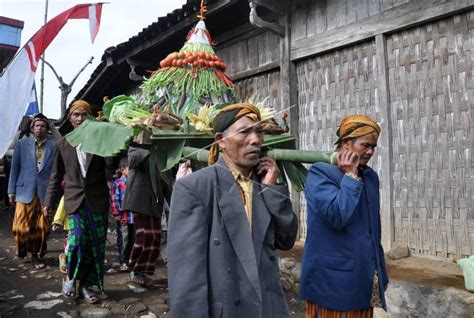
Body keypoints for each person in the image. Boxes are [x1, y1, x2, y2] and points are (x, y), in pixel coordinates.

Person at [167, 103, 298, 318]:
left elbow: (286, 240)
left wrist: (273, 189)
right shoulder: (196, 188)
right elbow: (187, 278)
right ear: (220, 140)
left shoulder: (264, 183)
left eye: (259, 132)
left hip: (268, 309)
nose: (255, 139)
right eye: (245, 131)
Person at [300, 115, 389, 317]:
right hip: (332, 280)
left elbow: (373, 230)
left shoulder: (369, 176)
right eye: (365, 145)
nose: (370, 151)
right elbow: (337, 216)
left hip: (363, 276)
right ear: (347, 143)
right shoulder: (319, 173)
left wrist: (380, 271)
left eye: (373, 146)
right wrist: (350, 175)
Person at [43, 100, 112, 304]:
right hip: (75, 201)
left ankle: (87, 286)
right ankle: (69, 276)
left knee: (95, 246)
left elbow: (111, 163)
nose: (80, 119)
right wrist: (48, 203)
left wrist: (110, 140)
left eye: (84, 115)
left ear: (90, 117)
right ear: (70, 118)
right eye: (76, 115)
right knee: (77, 242)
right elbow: (56, 177)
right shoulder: (63, 144)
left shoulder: (99, 141)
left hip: (97, 200)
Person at [8, 114, 55, 269]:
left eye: (43, 126)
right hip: (23, 190)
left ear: (47, 129)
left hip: (43, 192)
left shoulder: (53, 146)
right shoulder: (22, 144)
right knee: (19, 227)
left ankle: (35, 255)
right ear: (32, 128)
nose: (39, 128)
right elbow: (14, 169)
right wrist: (11, 191)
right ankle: (22, 249)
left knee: (40, 228)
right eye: (37, 126)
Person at [122, 145, 170, 286]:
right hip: (139, 199)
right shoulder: (135, 148)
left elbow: (165, 176)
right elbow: (133, 161)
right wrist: (149, 149)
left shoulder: (162, 150)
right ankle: (134, 269)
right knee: (144, 236)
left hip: (155, 200)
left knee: (154, 238)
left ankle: (142, 272)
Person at [110, 157, 134, 272]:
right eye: (130, 168)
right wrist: (117, 215)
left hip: (134, 217)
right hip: (123, 218)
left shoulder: (135, 182)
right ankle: (123, 261)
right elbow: (115, 200)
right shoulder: (118, 183)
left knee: (133, 239)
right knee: (124, 239)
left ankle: (131, 260)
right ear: (122, 170)